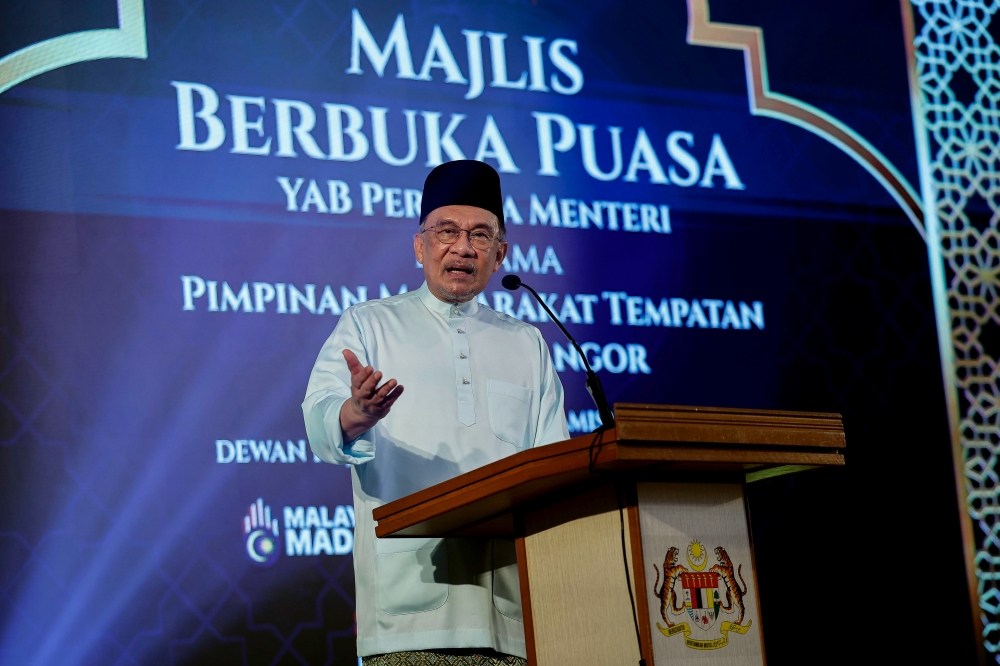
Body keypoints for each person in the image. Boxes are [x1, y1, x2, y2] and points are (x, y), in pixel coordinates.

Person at [302, 160, 569, 666]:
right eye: (446, 231)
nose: (463, 247)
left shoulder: (526, 342)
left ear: (501, 254)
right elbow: (320, 423)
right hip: (408, 616)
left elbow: (552, 466)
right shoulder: (370, 325)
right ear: (420, 246)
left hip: (511, 614)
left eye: (480, 235)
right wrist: (356, 413)